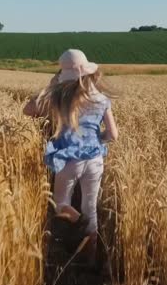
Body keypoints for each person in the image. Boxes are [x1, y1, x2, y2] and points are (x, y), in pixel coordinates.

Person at [23, 49, 119, 266]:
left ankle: (79, 224)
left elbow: (27, 110)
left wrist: (51, 86)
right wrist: (95, 139)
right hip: (95, 159)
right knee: (90, 205)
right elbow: (113, 135)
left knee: (60, 204)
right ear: (86, 72)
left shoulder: (59, 97)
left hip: (68, 161)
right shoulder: (100, 99)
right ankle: (91, 258)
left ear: (63, 75)